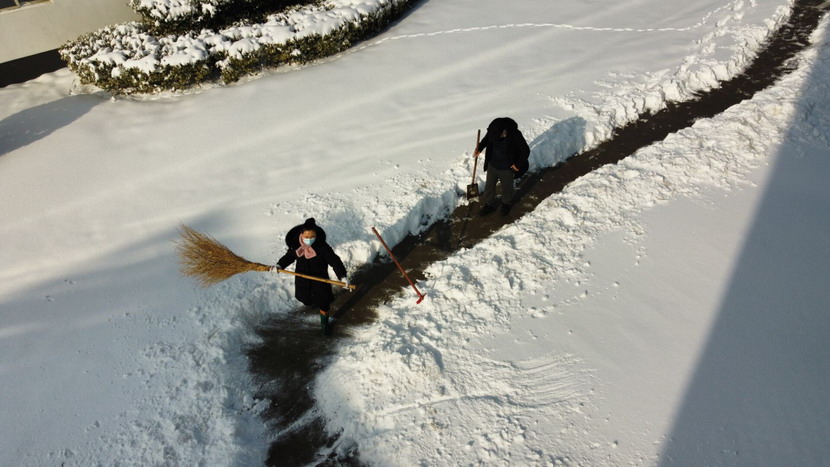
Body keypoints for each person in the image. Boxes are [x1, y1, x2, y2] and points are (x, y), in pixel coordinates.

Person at [276, 218, 349, 335]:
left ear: (316, 235)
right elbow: (288, 257)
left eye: (312, 237)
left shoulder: (322, 247)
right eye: (306, 237)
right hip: (303, 280)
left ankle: (324, 324)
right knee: (306, 298)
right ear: (301, 234)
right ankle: (310, 303)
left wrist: (342, 276)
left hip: (320, 280)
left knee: (324, 303)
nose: (309, 239)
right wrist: (280, 265)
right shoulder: (297, 246)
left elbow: (335, 261)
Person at [473, 117, 530, 216]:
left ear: (503, 131)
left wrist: (518, 164)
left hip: (506, 168)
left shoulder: (515, 134)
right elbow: (486, 140)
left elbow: (525, 151)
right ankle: (488, 205)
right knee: (489, 187)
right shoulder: (493, 131)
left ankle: (506, 204)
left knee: (507, 188)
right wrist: (480, 148)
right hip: (492, 165)